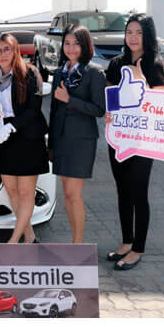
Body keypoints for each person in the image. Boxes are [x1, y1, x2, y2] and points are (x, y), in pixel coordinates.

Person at [104, 13, 164, 271]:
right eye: (129, 32)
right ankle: (126, 241)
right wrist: (109, 112)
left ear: (147, 35)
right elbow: (111, 95)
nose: (133, 37)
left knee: (139, 192)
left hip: (143, 139)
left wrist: (141, 80)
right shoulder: (116, 63)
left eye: (139, 32)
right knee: (122, 190)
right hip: (119, 138)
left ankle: (138, 249)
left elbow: (158, 104)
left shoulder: (155, 64)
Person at [0, 32, 49, 244]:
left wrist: (11, 126)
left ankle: (14, 240)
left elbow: (33, 108)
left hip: (28, 139)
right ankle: (29, 235)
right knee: (11, 190)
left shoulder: (30, 73)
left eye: (7, 49)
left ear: (15, 51)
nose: (2, 54)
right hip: (5, 141)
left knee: (26, 192)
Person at [47, 24, 106, 243]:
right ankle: (75, 243)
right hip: (61, 139)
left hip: (81, 140)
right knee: (67, 194)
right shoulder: (59, 72)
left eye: (76, 44)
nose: (71, 48)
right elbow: (54, 110)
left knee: (74, 194)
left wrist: (69, 99)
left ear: (85, 45)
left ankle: (78, 244)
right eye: (67, 43)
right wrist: (51, 144)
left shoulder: (94, 72)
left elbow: (99, 109)